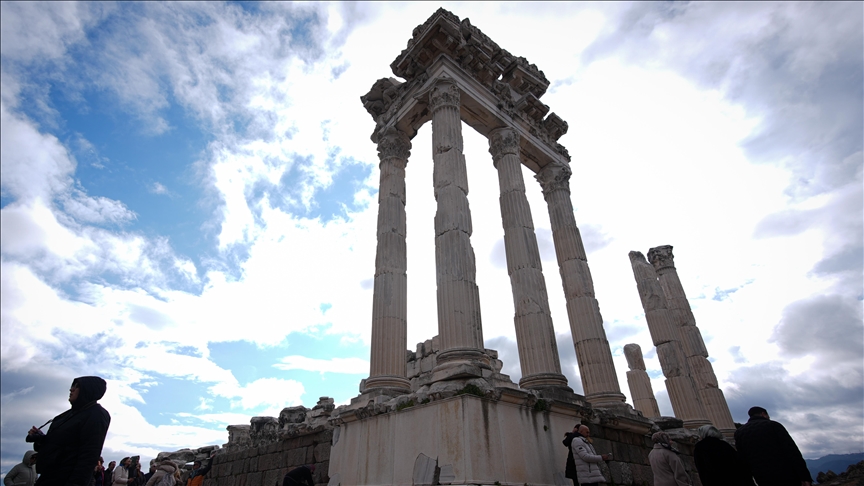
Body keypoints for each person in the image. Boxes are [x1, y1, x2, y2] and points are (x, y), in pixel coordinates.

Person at [25, 376, 111, 486]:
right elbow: (59, 446)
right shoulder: (66, 415)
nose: (71, 389)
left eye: (77, 386)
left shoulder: (96, 414)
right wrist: (40, 439)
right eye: (72, 386)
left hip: (65, 479)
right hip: (48, 477)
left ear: (88, 389)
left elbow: (89, 455)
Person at [734, 406, 812, 486]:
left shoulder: (739, 433)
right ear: (763, 414)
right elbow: (792, 451)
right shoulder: (773, 425)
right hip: (786, 474)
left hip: (761, 477)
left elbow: (742, 459)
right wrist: (805, 476)